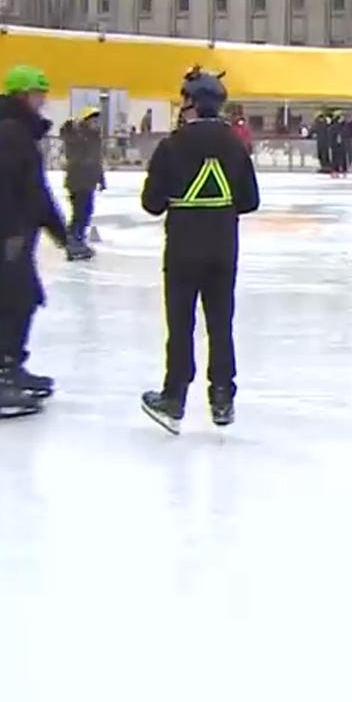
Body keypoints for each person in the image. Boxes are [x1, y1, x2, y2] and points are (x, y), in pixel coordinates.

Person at [140, 70, 261, 433]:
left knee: (181, 325)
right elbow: (250, 201)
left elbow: (152, 204)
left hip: (182, 249)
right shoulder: (235, 145)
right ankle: (222, 397)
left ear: (191, 103)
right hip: (223, 249)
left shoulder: (171, 146)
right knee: (221, 324)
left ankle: (174, 397)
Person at [0, 64, 71, 421]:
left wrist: (63, 234)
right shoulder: (9, 135)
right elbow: (2, 191)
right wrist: (10, 234)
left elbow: (35, 192)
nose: (42, 101)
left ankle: (11, 366)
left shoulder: (17, 134)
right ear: (21, 96)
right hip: (0, 235)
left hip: (10, 235)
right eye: (37, 94)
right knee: (11, 303)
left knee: (22, 300)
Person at [60, 107, 105, 257]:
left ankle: (78, 240)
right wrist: (68, 127)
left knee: (86, 212)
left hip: (89, 181)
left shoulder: (95, 137)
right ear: (86, 120)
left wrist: (101, 178)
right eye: (93, 119)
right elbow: (68, 139)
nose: (96, 122)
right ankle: (73, 241)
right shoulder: (78, 135)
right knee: (79, 213)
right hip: (77, 181)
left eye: (97, 119)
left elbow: (97, 159)